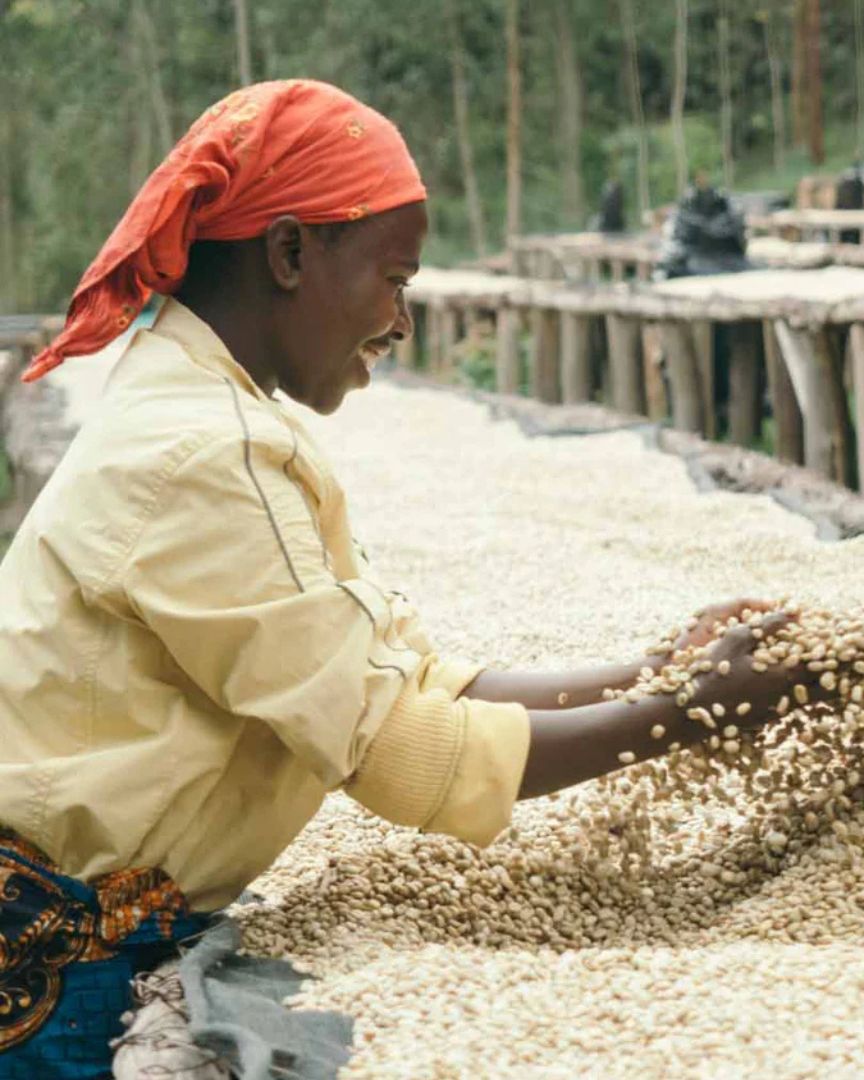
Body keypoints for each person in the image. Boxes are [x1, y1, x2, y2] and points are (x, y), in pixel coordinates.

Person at [0, 80, 816, 1077]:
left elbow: (401, 677)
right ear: (292, 253)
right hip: (50, 972)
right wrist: (692, 711)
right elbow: (390, 749)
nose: (403, 322)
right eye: (396, 279)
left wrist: (661, 671)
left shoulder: (220, 423)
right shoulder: (201, 455)